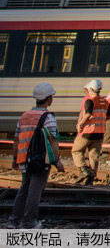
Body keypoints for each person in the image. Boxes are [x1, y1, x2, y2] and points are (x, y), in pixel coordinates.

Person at [9, 83, 64, 229]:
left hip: (23, 160)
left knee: (24, 190)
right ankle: (28, 222)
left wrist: (15, 158)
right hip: (40, 161)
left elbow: (16, 139)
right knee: (34, 192)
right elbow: (53, 141)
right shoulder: (48, 117)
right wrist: (57, 160)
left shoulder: (24, 116)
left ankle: (14, 221)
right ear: (48, 99)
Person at [72, 79, 110, 185]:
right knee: (94, 156)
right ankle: (90, 180)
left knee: (76, 150)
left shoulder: (89, 100)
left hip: (87, 132)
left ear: (90, 89)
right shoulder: (105, 102)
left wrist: (80, 123)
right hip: (100, 133)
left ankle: (83, 170)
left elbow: (88, 114)